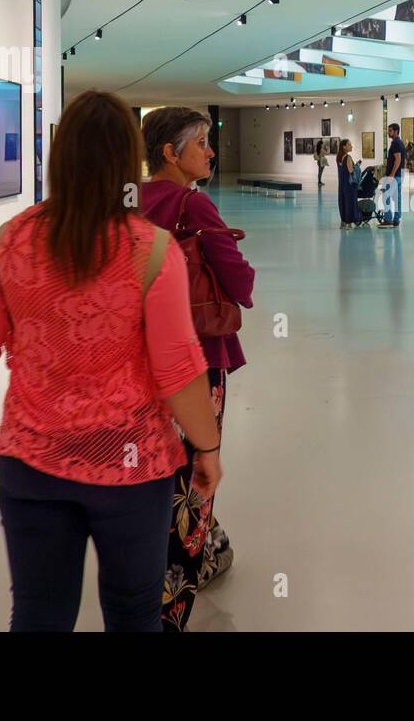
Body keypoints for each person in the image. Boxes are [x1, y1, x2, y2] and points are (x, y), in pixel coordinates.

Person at [0, 91, 222, 632]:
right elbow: (178, 369)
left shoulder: (9, 243)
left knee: (38, 615)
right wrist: (206, 448)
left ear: (59, 156)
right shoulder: (151, 250)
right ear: (128, 162)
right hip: (133, 468)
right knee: (132, 614)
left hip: (32, 462)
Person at [140, 107, 255, 632]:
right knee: (196, 467)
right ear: (171, 152)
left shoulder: (130, 200)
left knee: (158, 461)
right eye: (201, 144)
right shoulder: (194, 203)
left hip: (139, 356)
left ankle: (178, 551)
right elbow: (238, 277)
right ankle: (179, 584)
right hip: (198, 356)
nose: (210, 152)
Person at [378, 122, 405, 227]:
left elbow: (398, 160)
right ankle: (396, 220)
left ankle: (388, 219)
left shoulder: (396, 143)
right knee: (397, 198)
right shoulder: (400, 142)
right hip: (399, 175)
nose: (388, 133)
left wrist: (391, 176)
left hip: (394, 176)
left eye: (390, 131)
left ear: (396, 131)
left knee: (386, 196)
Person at [337, 138, 361, 228]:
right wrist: (357, 166)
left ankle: (343, 222)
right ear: (344, 147)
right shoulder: (348, 157)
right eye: (349, 144)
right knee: (350, 202)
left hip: (342, 184)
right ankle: (349, 222)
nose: (352, 146)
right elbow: (351, 171)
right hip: (350, 184)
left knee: (343, 201)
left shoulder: (338, 157)